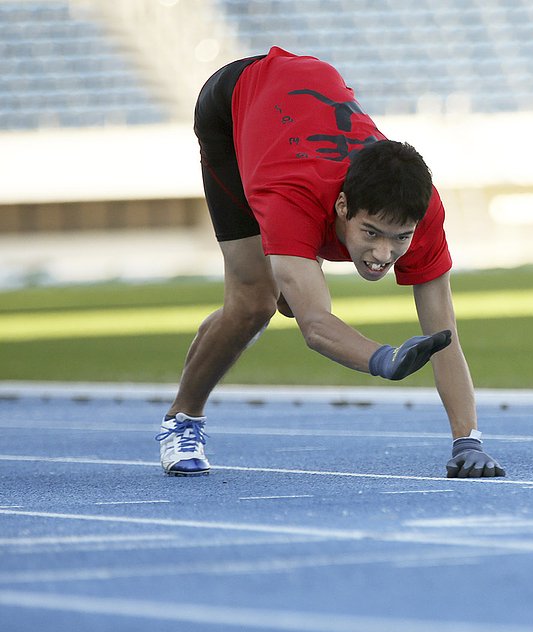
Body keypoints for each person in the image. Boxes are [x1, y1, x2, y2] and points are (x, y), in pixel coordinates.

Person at [156, 47, 504, 480]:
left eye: (401, 238)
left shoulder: (425, 212)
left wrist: (467, 439)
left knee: (290, 289)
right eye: (371, 233)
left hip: (305, 97)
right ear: (342, 206)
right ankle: (183, 420)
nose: (383, 255)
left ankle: (295, 272)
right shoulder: (290, 196)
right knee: (256, 303)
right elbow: (317, 327)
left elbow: (443, 336)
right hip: (231, 106)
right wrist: (384, 358)